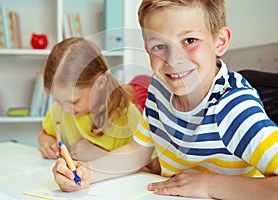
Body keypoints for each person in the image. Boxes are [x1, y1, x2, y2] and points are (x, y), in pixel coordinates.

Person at [52, 1, 278, 199]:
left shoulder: (233, 106)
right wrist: (87, 172)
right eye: (159, 46)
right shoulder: (159, 89)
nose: (173, 59)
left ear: (219, 41)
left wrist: (209, 185)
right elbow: (136, 152)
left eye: (190, 40)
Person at [38, 37, 143, 162]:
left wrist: (100, 155)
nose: (65, 109)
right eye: (58, 101)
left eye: (73, 101)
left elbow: (148, 167)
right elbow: (44, 133)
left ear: (100, 83)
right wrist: (47, 143)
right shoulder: (59, 109)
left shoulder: (126, 117)